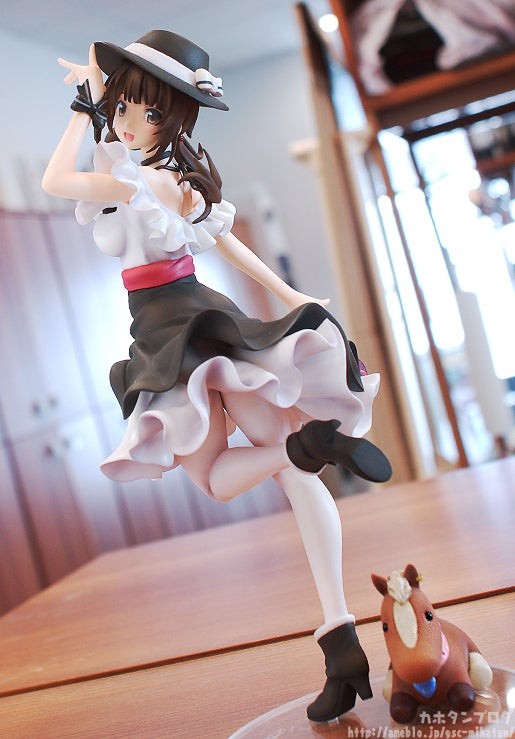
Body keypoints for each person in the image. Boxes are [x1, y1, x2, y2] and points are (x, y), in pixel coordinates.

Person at [42, 29, 392, 722]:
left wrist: (81, 110)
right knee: (297, 477)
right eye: (124, 107)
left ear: (174, 118)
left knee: (214, 479)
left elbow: (56, 180)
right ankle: (341, 640)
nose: (129, 122)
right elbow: (226, 244)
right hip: (209, 317)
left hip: (169, 333)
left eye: (149, 111)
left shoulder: (135, 180)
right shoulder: (173, 181)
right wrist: (289, 296)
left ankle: (303, 453)